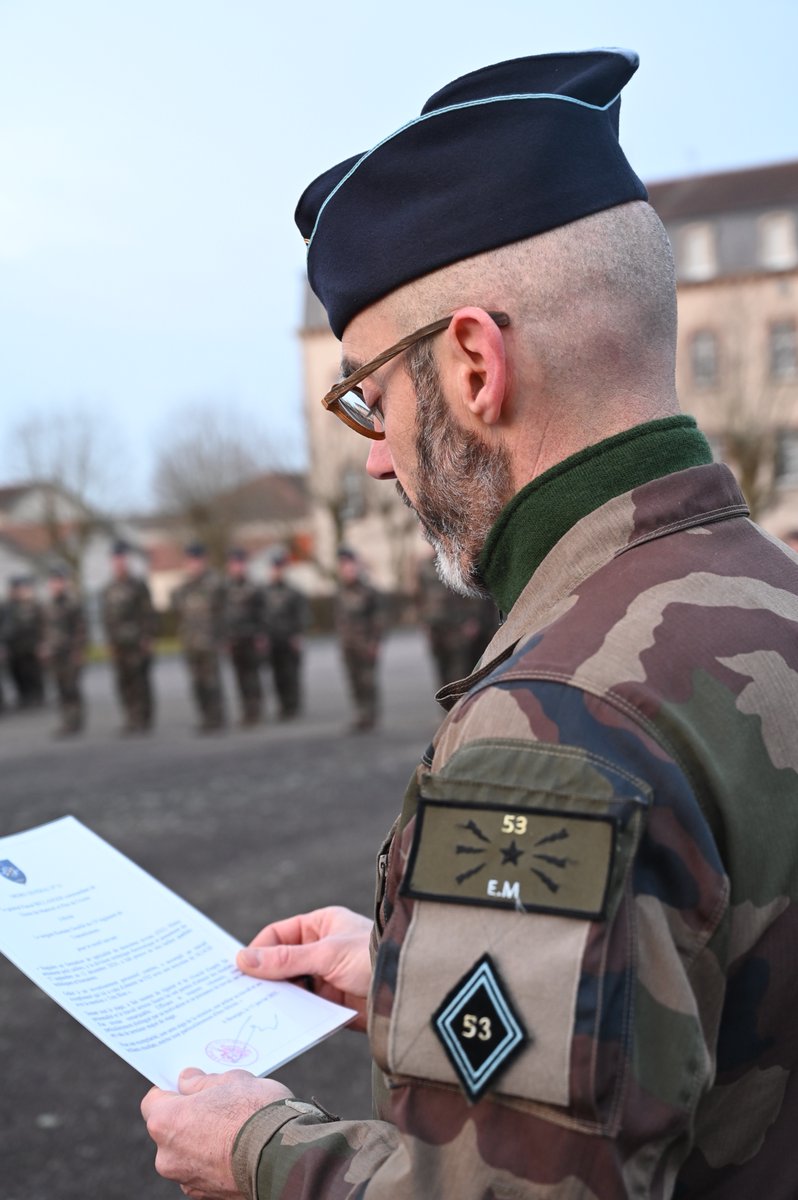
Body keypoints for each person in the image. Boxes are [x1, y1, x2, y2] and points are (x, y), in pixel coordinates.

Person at [141, 50, 798, 1198]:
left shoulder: (555, 727)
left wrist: (261, 1153)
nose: (382, 456)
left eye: (370, 400)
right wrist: (412, 975)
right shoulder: (766, 592)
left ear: (474, 364)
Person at [416, 552, 498, 688]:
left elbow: (472, 592)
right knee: (442, 672)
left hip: (456, 626)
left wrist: (472, 619)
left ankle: (463, 706)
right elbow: (419, 597)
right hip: (435, 629)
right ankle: (449, 708)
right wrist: (424, 622)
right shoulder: (424, 565)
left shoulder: (457, 558)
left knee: (460, 672)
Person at [101, 541, 157, 733]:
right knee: (123, 683)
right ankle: (130, 718)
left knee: (140, 681)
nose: (119, 563)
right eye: (115, 559)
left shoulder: (138, 585)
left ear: (128, 560)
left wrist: (147, 638)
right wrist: (108, 641)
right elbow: (106, 618)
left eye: (122, 558)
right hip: (118, 644)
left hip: (136, 642)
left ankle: (144, 718)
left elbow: (148, 613)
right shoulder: (108, 588)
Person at [172, 543, 227, 733]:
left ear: (204, 560)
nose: (193, 564)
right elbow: (178, 614)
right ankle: (205, 718)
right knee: (197, 683)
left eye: (197, 560)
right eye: (190, 560)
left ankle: (217, 719)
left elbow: (224, 613)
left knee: (212, 682)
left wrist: (223, 638)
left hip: (210, 642)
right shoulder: (183, 588)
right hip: (191, 643)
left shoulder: (215, 584)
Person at [334, 545, 383, 731]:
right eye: (344, 566)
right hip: (348, 645)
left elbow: (379, 620)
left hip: (365, 645)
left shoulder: (368, 591)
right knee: (353, 681)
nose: (347, 570)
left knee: (367, 680)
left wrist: (375, 643)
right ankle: (360, 714)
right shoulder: (340, 591)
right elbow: (339, 619)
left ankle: (370, 715)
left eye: (350, 566)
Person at [261, 550, 309, 720]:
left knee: (291, 674)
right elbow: (260, 616)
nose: (276, 571)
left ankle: (293, 705)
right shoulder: (264, 593)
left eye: (279, 568)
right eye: (274, 568)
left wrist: (298, 635)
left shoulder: (294, 592)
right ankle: (282, 705)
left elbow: (302, 616)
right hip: (273, 640)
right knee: (276, 675)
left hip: (289, 639)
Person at [41, 566, 86, 736]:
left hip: (69, 653)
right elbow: (44, 629)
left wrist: (78, 651)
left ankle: (75, 721)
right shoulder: (47, 605)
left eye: (59, 581)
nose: (55, 585)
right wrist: (44, 647)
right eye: (53, 581)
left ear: (64, 583)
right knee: (60, 688)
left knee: (71, 688)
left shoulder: (72, 604)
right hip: (54, 654)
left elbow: (80, 629)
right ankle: (66, 721)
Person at [224, 547, 265, 727]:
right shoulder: (225, 589)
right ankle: (246, 711)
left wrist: (261, 635)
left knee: (252, 676)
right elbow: (222, 615)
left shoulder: (254, 588)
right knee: (240, 677)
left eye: (240, 563)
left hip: (251, 637)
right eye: (234, 563)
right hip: (234, 639)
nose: (237, 567)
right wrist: (225, 637)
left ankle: (255, 710)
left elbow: (262, 614)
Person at [3, 575, 45, 708]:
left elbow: (41, 625)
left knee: (33, 672)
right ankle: (24, 696)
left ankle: (37, 696)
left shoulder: (33, 604)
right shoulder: (7, 606)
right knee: (18, 673)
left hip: (30, 644)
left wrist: (41, 642)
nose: (17, 591)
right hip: (14, 646)